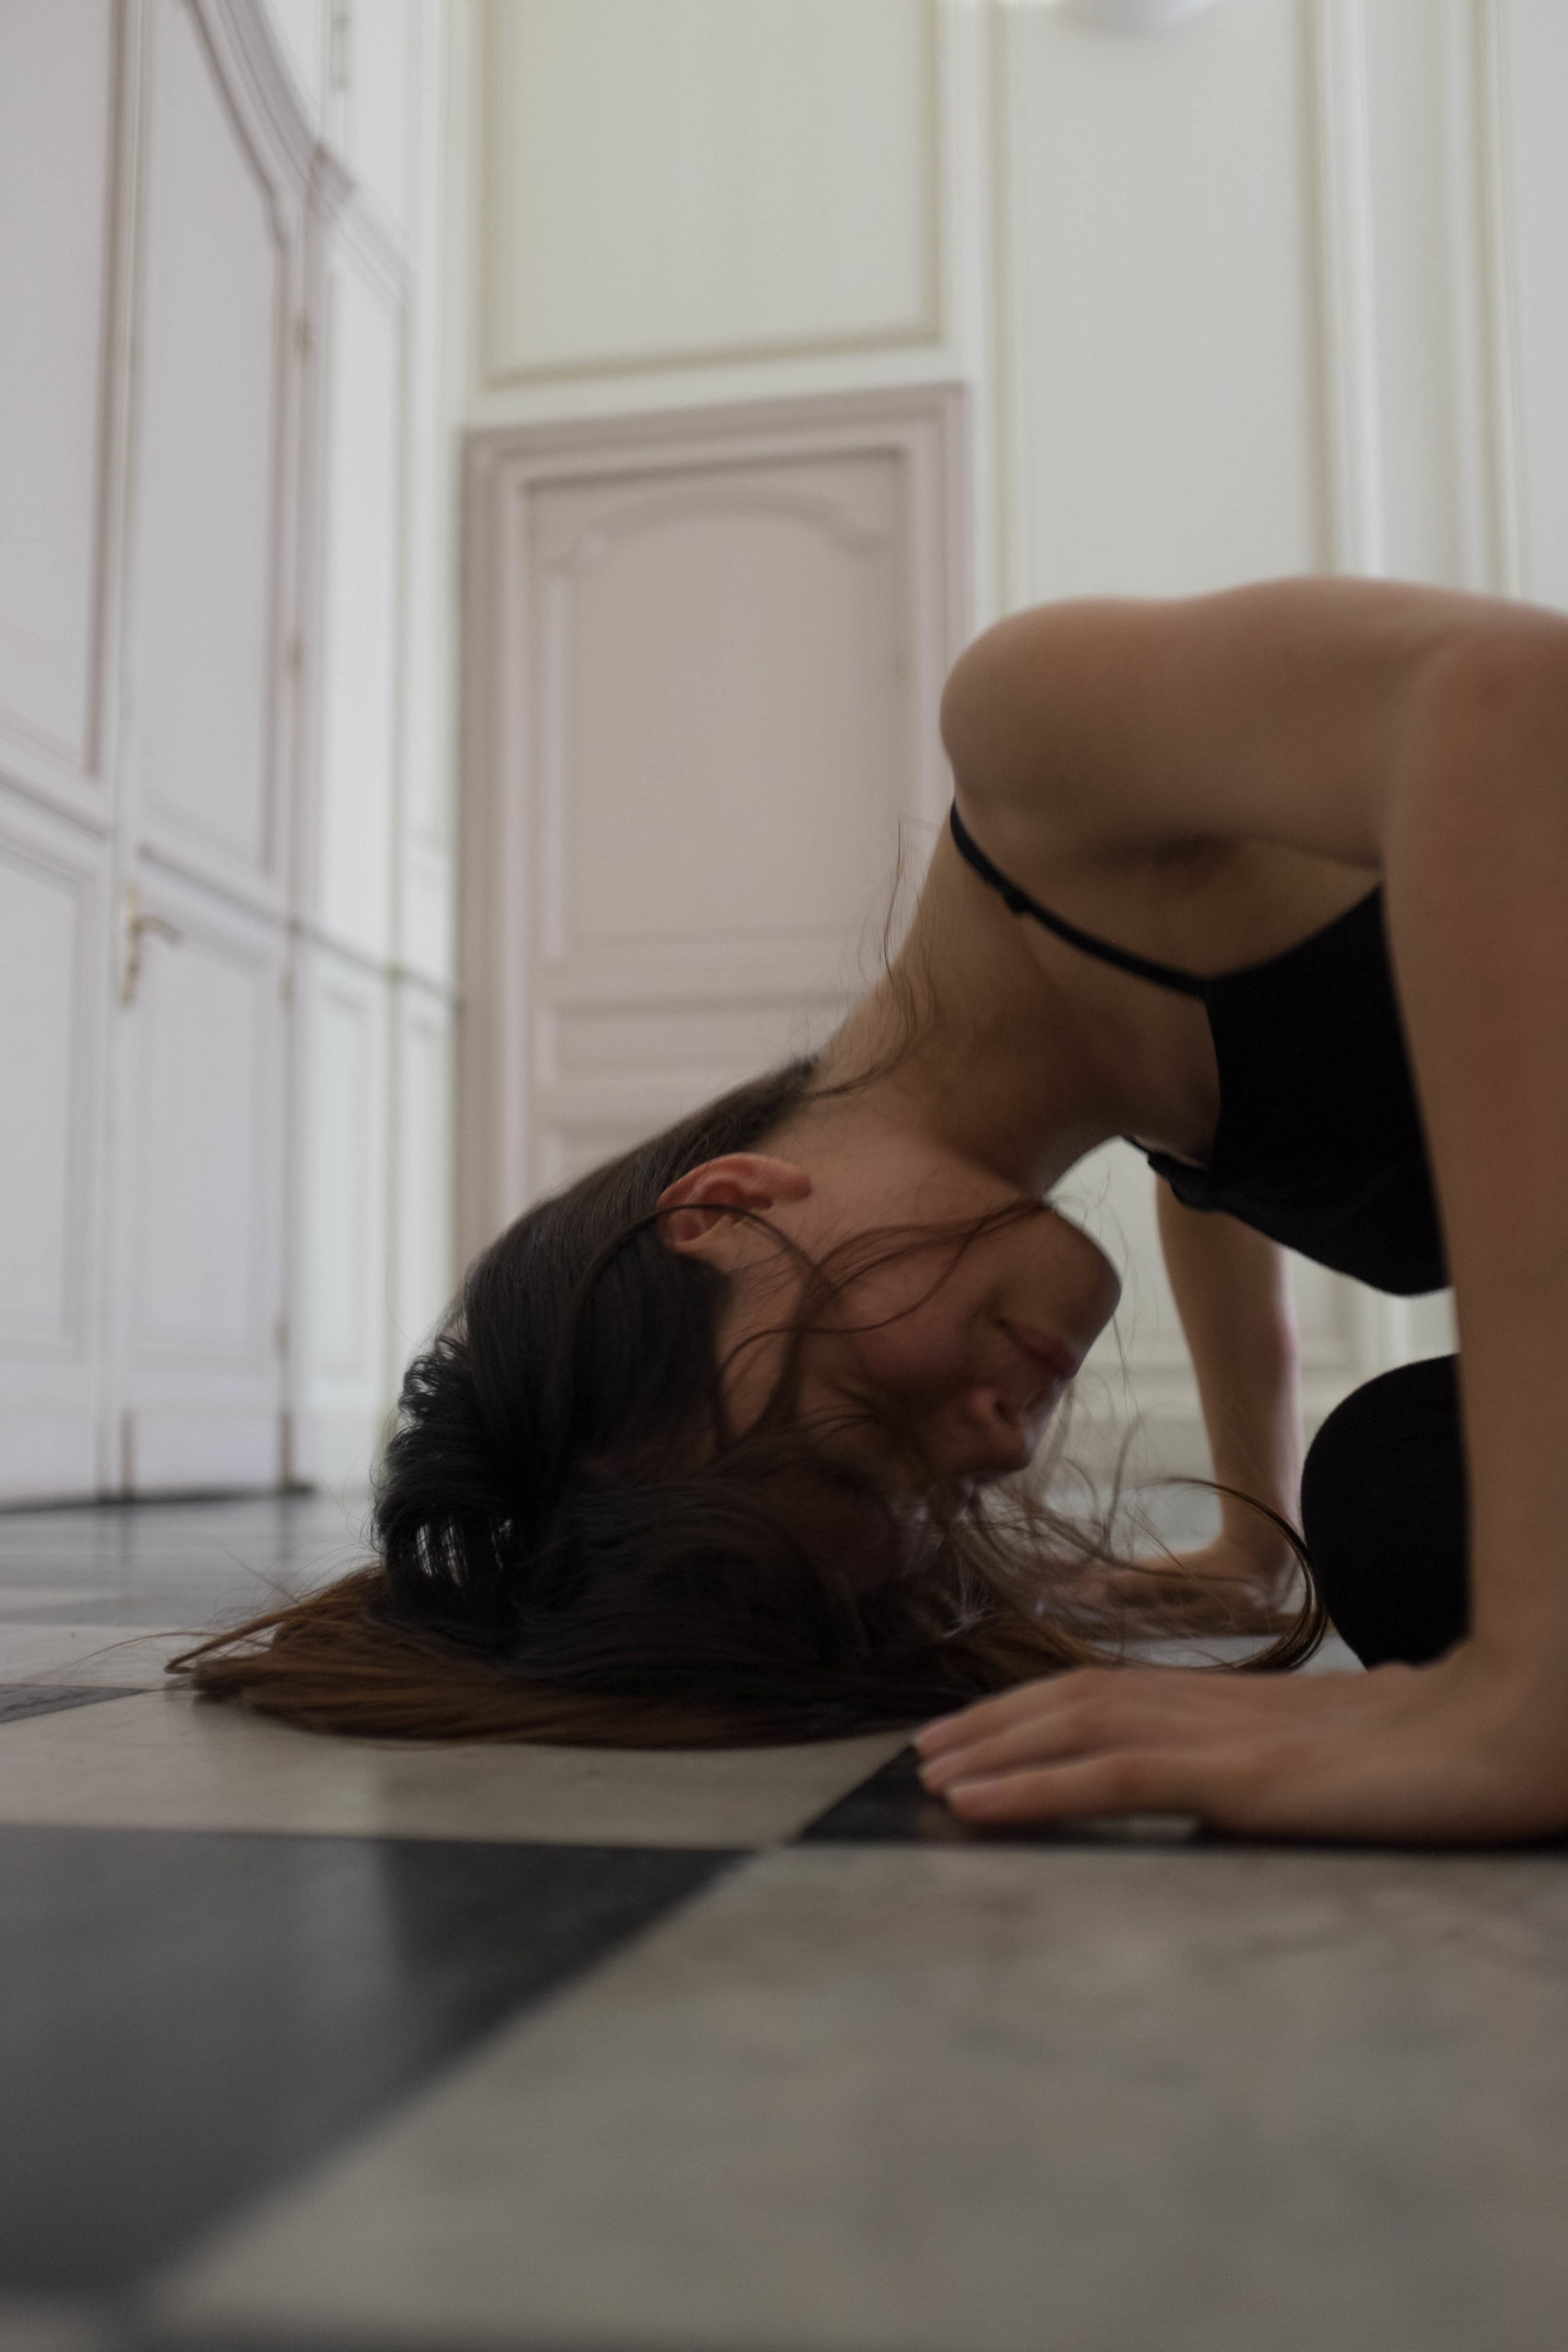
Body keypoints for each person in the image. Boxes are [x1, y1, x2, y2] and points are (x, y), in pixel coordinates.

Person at [180, 576, 1568, 1845]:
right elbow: (1229, 1156)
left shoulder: (1027, 739)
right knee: (1402, 1509)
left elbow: (1505, 698)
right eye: (942, 1495)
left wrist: (1526, 1679)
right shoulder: (1144, 1087)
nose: (1002, 1447)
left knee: (1405, 1502)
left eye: (869, 1422)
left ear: (722, 1210)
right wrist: (1259, 1542)